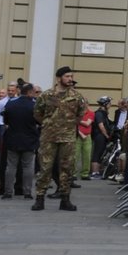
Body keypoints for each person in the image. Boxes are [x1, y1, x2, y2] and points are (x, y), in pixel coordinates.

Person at [32, 66, 87, 212]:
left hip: (67, 137)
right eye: (67, 76)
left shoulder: (77, 96)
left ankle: (65, 199)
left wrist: (68, 125)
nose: (70, 79)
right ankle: (39, 198)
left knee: (66, 168)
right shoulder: (46, 95)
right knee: (45, 167)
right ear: (59, 78)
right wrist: (48, 124)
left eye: (71, 76)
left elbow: (81, 114)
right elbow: (37, 113)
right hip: (48, 137)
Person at [0, 83, 39, 199]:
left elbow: (6, 121)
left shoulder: (10, 104)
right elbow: (39, 121)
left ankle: (8, 191)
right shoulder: (34, 105)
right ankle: (27, 192)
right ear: (30, 92)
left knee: (11, 166)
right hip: (29, 140)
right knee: (28, 167)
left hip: (12, 139)